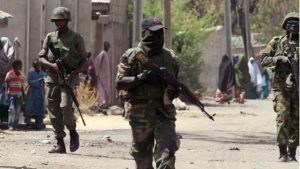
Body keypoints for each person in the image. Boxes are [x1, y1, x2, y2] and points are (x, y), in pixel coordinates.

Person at [116, 17, 180, 169]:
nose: (158, 37)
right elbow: (120, 82)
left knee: (167, 153)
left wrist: (171, 93)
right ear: (144, 33)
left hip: (164, 112)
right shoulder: (132, 56)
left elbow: (176, 85)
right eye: (154, 33)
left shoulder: (170, 57)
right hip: (140, 114)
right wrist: (142, 77)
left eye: (160, 33)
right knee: (142, 157)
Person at [39, 7, 87, 153]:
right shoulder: (50, 37)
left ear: (66, 20)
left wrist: (73, 74)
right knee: (53, 111)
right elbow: (41, 57)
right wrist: (52, 65)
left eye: (60, 20)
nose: (58, 22)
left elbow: (84, 62)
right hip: (53, 77)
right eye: (56, 20)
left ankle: (73, 133)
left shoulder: (76, 38)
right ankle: (60, 142)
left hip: (69, 77)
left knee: (65, 107)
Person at [261, 12, 299, 162]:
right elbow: (264, 59)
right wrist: (278, 59)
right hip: (282, 88)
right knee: (283, 118)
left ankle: (293, 153)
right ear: (285, 26)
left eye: (297, 22)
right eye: (291, 22)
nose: (294, 25)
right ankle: (282, 152)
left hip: (298, 89)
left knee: (297, 120)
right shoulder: (277, 42)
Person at [24, 59, 47, 130]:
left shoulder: (44, 74)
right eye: (35, 65)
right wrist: (39, 81)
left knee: (40, 109)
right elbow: (30, 82)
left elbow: (46, 81)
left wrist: (43, 81)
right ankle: (28, 124)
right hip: (32, 93)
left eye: (38, 65)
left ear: (40, 65)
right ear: (33, 65)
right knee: (29, 108)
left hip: (40, 93)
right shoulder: (30, 73)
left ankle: (39, 124)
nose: (36, 66)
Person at [5, 59, 25, 130]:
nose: (21, 66)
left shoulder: (21, 74)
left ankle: (15, 126)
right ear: (15, 65)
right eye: (20, 64)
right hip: (12, 95)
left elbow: (22, 85)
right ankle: (10, 125)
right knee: (12, 110)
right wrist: (7, 94)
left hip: (19, 95)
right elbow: (7, 84)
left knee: (18, 111)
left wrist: (24, 95)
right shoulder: (10, 74)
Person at [94, 41, 111, 109]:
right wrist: (97, 72)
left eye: (108, 46)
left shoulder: (105, 54)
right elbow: (97, 61)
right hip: (102, 74)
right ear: (105, 46)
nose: (108, 47)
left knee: (106, 88)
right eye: (107, 46)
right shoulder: (102, 53)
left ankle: (106, 103)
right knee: (101, 88)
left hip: (106, 75)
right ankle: (102, 103)